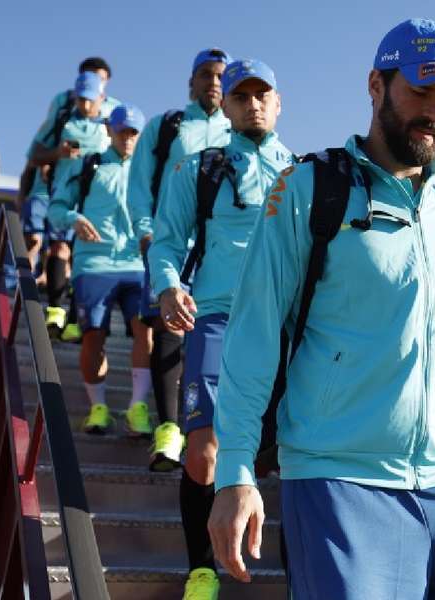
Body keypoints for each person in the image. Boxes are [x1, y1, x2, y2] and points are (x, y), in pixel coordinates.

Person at [207, 19, 435, 600]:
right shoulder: (308, 187)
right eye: (421, 91)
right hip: (342, 478)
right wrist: (236, 473)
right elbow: (254, 335)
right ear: (377, 85)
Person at [149, 58, 293, 600]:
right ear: (225, 106)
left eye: (263, 94)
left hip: (282, 326)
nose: (252, 103)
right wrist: (168, 286)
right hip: (214, 319)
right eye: (240, 95)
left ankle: (299, 568)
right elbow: (166, 242)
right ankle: (202, 569)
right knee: (203, 451)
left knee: (288, 455)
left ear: (278, 104)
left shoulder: (303, 174)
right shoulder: (198, 169)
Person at [126, 48, 231, 471]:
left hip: (215, 260)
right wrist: (145, 231)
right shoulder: (167, 127)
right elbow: (138, 184)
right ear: (191, 82)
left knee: (210, 343)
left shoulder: (235, 131)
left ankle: (208, 433)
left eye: (221, 76)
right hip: (169, 249)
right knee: (168, 334)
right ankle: (169, 428)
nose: (214, 82)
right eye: (205, 74)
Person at [48, 103, 152, 436]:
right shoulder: (88, 165)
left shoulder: (149, 170)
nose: (128, 138)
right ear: (109, 129)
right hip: (93, 263)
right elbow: (57, 208)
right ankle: (98, 408)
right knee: (94, 334)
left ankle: (137, 408)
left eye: (134, 133)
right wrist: (74, 219)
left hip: (138, 264)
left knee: (146, 331)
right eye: (123, 131)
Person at [19, 58, 120, 341]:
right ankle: (54, 311)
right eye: (81, 98)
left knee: (82, 255)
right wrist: (58, 155)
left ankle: (76, 321)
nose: (86, 105)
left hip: (97, 198)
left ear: (103, 93)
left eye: (92, 98)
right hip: (64, 193)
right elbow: (35, 154)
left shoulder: (114, 116)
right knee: (59, 248)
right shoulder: (64, 113)